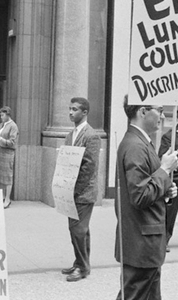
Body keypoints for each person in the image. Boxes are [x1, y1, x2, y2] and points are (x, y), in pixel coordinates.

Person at [115, 95, 178, 300]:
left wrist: (164, 191)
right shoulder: (136, 145)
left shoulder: (141, 142)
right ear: (143, 111)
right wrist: (164, 169)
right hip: (142, 243)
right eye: (159, 110)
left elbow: (143, 187)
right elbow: (140, 196)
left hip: (144, 242)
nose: (162, 116)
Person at [61, 97, 101, 282]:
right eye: (69, 109)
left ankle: (83, 268)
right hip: (71, 190)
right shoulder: (71, 135)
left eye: (74, 109)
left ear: (84, 112)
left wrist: (74, 189)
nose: (70, 112)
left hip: (83, 192)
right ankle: (80, 262)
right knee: (77, 230)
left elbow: (89, 167)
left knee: (78, 230)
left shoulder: (91, 135)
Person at [158, 107, 178, 252]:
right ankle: (164, 240)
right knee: (170, 212)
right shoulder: (170, 136)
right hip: (177, 179)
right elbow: (163, 157)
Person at [0, 106, 19, 209]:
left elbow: (12, 142)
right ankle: (2, 197)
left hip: (8, 152)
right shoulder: (1, 125)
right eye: (0, 115)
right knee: (1, 176)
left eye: (2, 115)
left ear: (8, 115)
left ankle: (7, 199)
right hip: (0, 150)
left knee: (7, 176)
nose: (1, 117)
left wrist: (0, 138)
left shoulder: (13, 126)